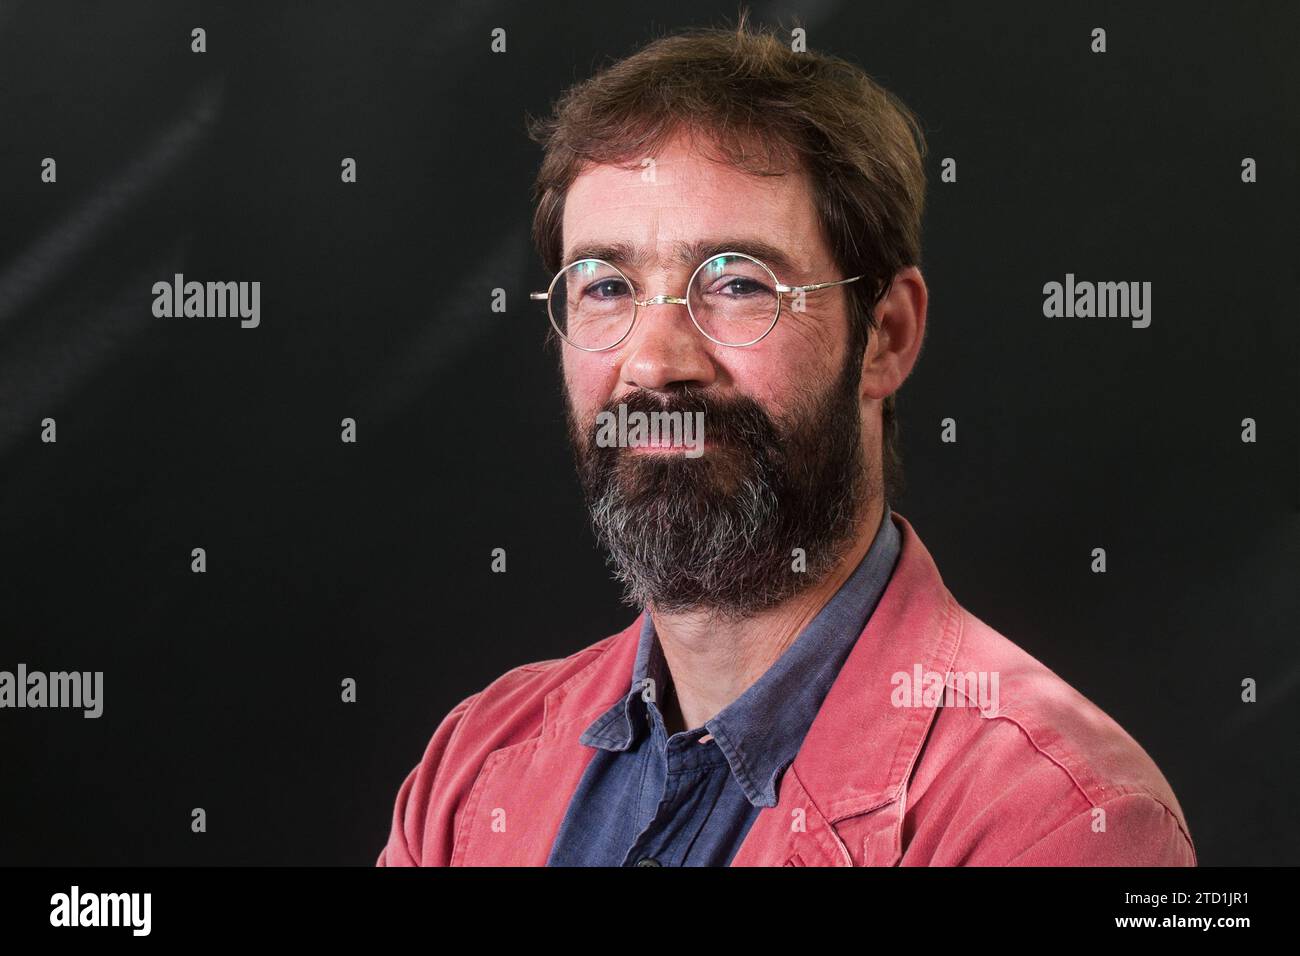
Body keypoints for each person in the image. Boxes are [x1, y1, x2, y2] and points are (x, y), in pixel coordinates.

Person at [377, 18, 1195, 867]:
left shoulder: (1065, 820)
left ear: (884, 335)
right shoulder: (470, 776)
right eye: (608, 286)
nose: (655, 362)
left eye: (735, 283)